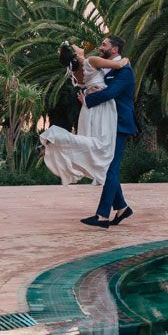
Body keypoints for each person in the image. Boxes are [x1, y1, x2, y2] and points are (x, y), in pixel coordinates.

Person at [39, 42, 129, 186]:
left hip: (87, 108)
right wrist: (126, 60)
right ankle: (55, 135)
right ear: (76, 54)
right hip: (102, 106)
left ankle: (99, 177)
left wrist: (87, 92)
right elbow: (118, 65)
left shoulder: (75, 71)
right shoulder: (92, 61)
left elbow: (87, 83)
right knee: (102, 144)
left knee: (88, 141)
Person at [78, 34, 136, 229]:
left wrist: (88, 99)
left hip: (119, 124)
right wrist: (87, 93)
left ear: (115, 49)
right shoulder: (106, 68)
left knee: (110, 168)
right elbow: (95, 86)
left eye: (104, 45)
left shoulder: (125, 71)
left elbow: (110, 93)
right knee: (106, 167)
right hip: (106, 123)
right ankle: (121, 208)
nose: (100, 47)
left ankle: (103, 215)